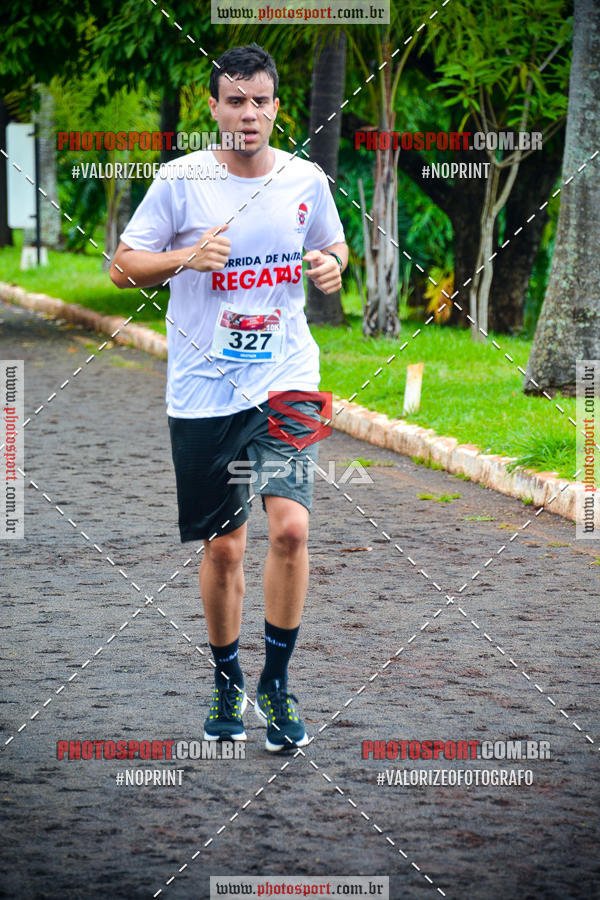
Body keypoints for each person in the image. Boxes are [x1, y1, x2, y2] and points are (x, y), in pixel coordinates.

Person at [110, 43, 348, 752]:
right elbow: (123, 267)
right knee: (223, 550)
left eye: (261, 101)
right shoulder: (181, 183)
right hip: (206, 389)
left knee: (292, 530)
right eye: (235, 100)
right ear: (213, 107)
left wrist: (331, 268)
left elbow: (334, 249)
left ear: (277, 108)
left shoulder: (306, 178)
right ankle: (225, 679)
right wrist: (186, 257)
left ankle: (276, 686)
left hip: (288, 377)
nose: (249, 114)